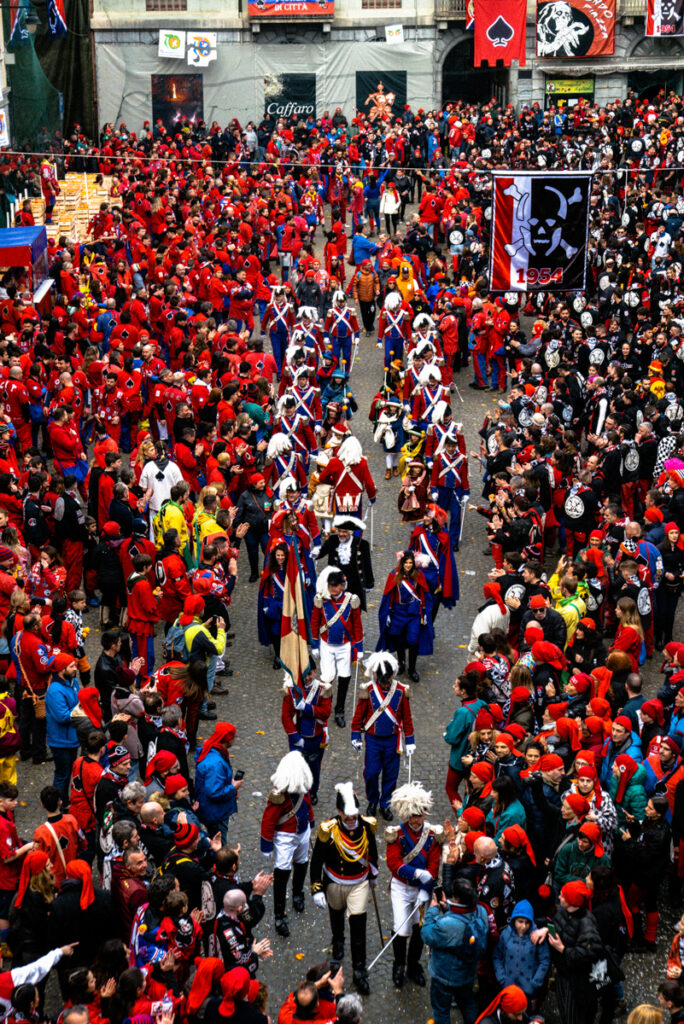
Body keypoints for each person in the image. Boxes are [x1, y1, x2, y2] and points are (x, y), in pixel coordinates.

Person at [310, 782, 378, 995]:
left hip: (358, 883)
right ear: (339, 812)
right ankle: (338, 940)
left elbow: (372, 851)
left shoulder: (366, 826)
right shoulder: (328, 830)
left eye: (353, 814)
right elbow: (316, 860)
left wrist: (374, 873)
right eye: (346, 815)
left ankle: (359, 971)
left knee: (358, 926)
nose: (350, 819)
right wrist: (316, 888)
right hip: (334, 882)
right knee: (336, 915)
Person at [385, 781, 442, 988]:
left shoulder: (433, 834)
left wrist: (426, 890)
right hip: (401, 886)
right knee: (401, 928)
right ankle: (398, 965)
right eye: (412, 816)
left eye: (419, 815)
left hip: (421, 889)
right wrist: (416, 873)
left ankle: (413, 965)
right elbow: (393, 863)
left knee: (419, 927)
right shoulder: (397, 834)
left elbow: (434, 865)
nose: (416, 820)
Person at [350, 652, 415, 819]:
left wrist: (409, 741)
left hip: (393, 739)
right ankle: (372, 800)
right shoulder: (368, 690)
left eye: (387, 679)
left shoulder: (401, 690)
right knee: (371, 773)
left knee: (391, 774)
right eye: (382, 680)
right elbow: (358, 715)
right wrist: (355, 736)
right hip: (373, 739)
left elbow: (406, 717)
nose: (385, 683)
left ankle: (385, 803)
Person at [260, 751, 314, 938]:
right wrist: (266, 844)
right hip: (285, 836)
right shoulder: (278, 795)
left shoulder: (302, 787)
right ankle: (279, 914)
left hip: (302, 832)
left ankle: (298, 893)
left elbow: (307, 805)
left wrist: (311, 821)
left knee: (302, 863)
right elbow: (268, 820)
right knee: (282, 873)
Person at [421, 877, 489, 1024]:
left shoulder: (448, 924)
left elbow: (426, 934)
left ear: (457, 899)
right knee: (468, 1004)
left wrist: (433, 910)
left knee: (441, 1010)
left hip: (444, 977)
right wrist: (449, 909)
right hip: (468, 974)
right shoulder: (481, 912)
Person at [311, 567, 363, 729]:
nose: (333, 589)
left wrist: (359, 648)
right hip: (326, 645)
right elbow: (314, 622)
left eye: (336, 585)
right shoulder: (321, 600)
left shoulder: (351, 600)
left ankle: (339, 710)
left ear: (342, 585)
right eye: (330, 586)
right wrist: (314, 644)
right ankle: (325, 707)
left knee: (344, 677)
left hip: (345, 646)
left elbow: (357, 625)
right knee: (327, 679)